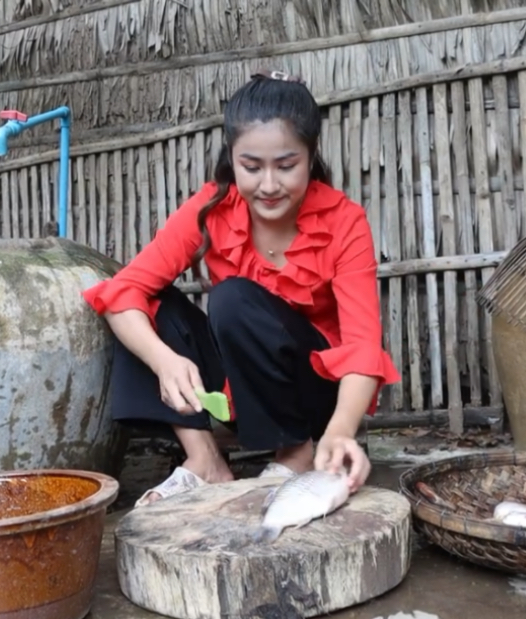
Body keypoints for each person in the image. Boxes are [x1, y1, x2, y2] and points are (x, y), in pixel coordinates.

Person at [82, 69, 401, 507]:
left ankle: (297, 454)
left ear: (310, 156)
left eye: (286, 166)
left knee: (232, 297)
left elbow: (364, 349)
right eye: (251, 167)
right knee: (150, 308)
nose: (268, 185)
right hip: (240, 391)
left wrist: (341, 430)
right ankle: (205, 461)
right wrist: (164, 360)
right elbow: (123, 292)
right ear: (232, 159)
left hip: (316, 395)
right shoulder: (213, 207)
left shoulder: (344, 221)